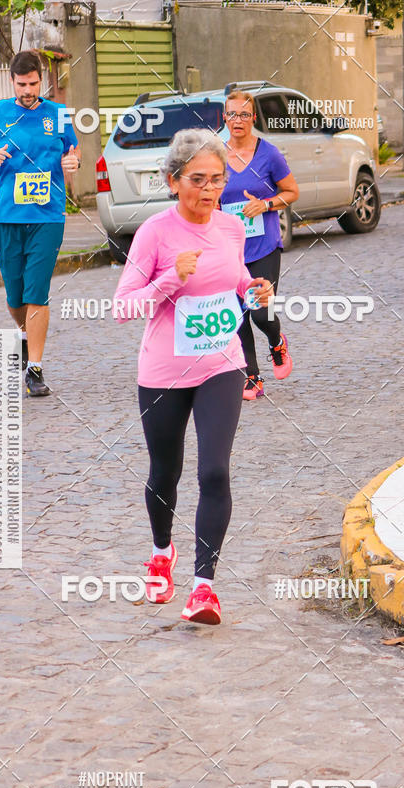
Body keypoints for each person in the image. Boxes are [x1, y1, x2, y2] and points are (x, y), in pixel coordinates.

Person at [113, 128, 273, 624]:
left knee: (214, 471)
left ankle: (205, 588)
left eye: (217, 180)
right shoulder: (154, 234)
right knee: (166, 473)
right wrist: (169, 279)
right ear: (173, 181)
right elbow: (122, 307)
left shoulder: (229, 227)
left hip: (222, 364)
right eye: (197, 180)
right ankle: (163, 551)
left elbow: (236, 279)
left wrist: (255, 290)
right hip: (163, 371)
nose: (208, 190)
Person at [0, 50, 80, 396]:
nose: (28, 90)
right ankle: (27, 338)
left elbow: (73, 149)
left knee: (37, 292)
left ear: (41, 80)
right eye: (21, 84)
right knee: (15, 296)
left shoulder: (58, 114)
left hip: (47, 216)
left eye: (33, 84)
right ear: (11, 81)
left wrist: (72, 160)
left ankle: (34, 368)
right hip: (6, 216)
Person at [220, 90, 299, 400]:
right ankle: (251, 376)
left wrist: (266, 205)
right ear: (223, 118)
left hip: (264, 245)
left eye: (244, 114)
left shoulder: (269, 154)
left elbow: (291, 192)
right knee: (235, 316)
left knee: (259, 311)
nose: (237, 120)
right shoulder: (215, 154)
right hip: (228, 250)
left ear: (253, 118)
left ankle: (277, 342)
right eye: (232, 114)